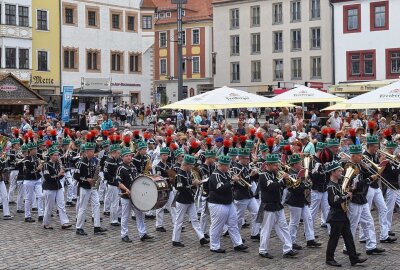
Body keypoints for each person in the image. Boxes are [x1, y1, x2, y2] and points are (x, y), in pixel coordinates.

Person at [325, 160, 367, 267]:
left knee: (348, 237)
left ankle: (353, 259)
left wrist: (350, 191)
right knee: (334, 238)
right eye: (339, 171)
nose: (341, 173)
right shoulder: (331, 186)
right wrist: (346, 196)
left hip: (342, 215)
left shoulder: (337, 184)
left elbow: (342, 195)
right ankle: (329, 259)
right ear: (333, 172)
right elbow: (333, 202)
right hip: (336, 216)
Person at [257, 153, 298, 259]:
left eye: (277, 165)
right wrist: (282, 179)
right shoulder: (263, 175)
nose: (277, 167)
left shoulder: (274, 174)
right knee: (266, 229)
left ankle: (288, 249)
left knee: (283, 227)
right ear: (269, 165)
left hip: (277, 205)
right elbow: (272, 186)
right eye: (275, 165)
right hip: (268, 206)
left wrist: (287, 180)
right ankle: (262, 250)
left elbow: (283, 186)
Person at [116, 147, 153, 242]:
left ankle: (143, 233)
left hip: (135, 195)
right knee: (125, 215)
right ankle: (124, 234)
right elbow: (119, 183)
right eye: (127, 156)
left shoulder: (132, 166)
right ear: (122, 157)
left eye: (130, 156)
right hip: (126, 196)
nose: (129, 157)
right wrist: (126, 189)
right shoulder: (121, 168)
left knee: (139, 214)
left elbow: (136, 179)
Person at [171, 154, 209, 247]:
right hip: (182, 200)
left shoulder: (188, 172)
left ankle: (201, 238)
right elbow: (180, 188)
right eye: (191, 165)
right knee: (179, 221)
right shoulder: (180, 174)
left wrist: (196, 183)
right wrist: (192, 185)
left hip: (190, 199)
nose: (192, 167)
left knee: (195, 219)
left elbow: (189, 183)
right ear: (186, 165)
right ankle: (175, 240)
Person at [286, 154, 321, 250]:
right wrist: (305, 186)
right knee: (294, 222)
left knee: (308, 218)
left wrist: (308, 182)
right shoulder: (290, 174)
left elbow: (304, 184)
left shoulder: (300, 173)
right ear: (294, 164)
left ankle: (310, 239)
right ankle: (291, 241)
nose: (301, 164)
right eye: (299, 163)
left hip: (302, 200)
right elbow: (295, 188)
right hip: (294, 200)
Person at [74, 136, 107, 236]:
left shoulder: (95, 161)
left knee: (96, 205)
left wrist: (95, 179)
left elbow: (96, 171)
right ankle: (79, 227)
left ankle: (97, 227)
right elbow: (75, 176)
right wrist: (86, 179)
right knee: (83, 207)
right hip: (84, 187)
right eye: (90, 151)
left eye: (93, 150)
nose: (92, 153)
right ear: (85, 152)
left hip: (92, 187)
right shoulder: (80, 162)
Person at [42, 146, 71, 230]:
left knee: (61, 205)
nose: (57, 157)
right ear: (50, 156)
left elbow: (59, 177)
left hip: (58, 186)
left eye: (57, 155)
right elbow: (47, 177)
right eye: (55, 155)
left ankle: (64, 222)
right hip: (49, 187)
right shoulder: (46, 165)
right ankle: (46, 223)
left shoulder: (58, 164)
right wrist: (58, 175)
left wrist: (61, 174)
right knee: (49, 206)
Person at [23, 141, 44, 223]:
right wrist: (37, 169)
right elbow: (27, 172)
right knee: (28, 198)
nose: (35, 150)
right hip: (29, 180)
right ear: (30, 150)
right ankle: (27, 216)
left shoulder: (36, 158)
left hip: (37, 179)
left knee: (40, 196)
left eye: (35, 149)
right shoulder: (26, 160)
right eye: (34, 149)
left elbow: (38, 169)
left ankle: (41, 214)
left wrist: (40, 168)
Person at [103, 139, 122, 227]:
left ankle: (118, 216)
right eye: (118, 153)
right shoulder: (109, 161)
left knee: (119, 202)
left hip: (118, 183)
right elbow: (106, 175)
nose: (119, 154)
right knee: (114, 202)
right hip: (112, 184)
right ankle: (113, 220)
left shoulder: (117, 160)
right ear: (113, 152)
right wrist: (115, 182)